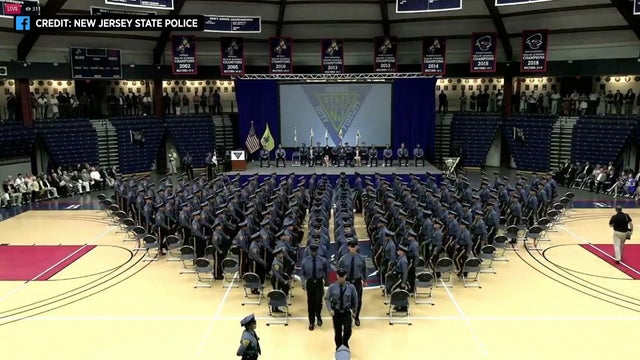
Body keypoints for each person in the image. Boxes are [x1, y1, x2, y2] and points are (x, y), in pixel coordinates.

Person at [325, 269, 358, 350]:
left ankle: (345, 342)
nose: (340, 279)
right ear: (337, 276)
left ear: (345, 277)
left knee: (348, 330)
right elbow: (327, 298)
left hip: (346, 312)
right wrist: (330, 310)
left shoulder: (351, 287)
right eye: (339, 277)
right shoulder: (332, 287)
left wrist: (355, 311)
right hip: (336, 313)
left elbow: (355, 300)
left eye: (342, 277)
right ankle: (339, 347)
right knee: (338, 332)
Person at [337, 239, 366, 326]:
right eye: (351, 247)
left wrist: (365, 280)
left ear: (356, 247)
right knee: (345, 299)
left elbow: (364, 270)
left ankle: (356, 316)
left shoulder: (361, 258)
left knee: (358, 300)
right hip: (347, 282)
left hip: (357, 281)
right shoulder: (343, 259)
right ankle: (346, 317)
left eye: (354, 247)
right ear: (348, 247)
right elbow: (339, 270)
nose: (353, 248)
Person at [301, 243, 329, 330]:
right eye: (312, 251)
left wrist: (325, 282)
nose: (313, 253)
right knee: (310, 303)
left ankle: (319, 316)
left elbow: (326, 271)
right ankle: (311, 322)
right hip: (310, 283)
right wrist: (303, 283)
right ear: (310, 251)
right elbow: (303, 274)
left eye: (315, 251)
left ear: (317, 251)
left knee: (318, 301)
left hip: (319, 283)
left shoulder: (322, 260)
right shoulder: (305, 261)